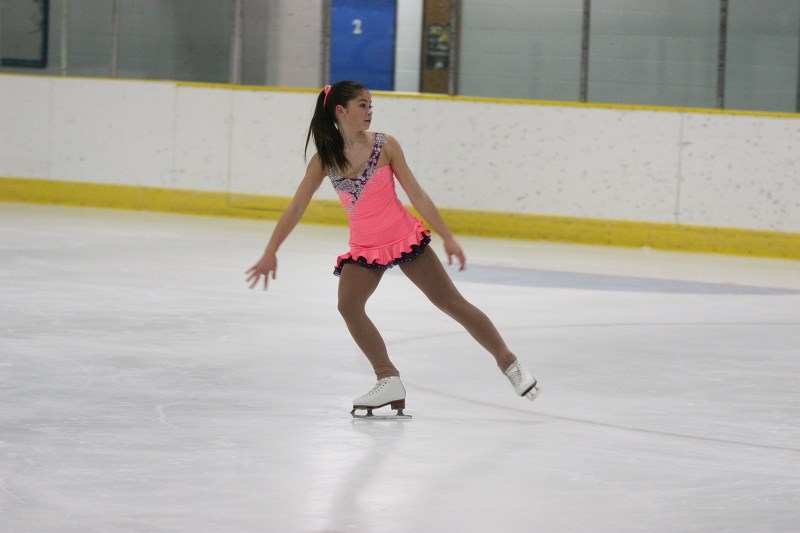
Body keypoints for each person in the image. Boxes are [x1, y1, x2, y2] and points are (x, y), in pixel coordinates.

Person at [246, 81, 539, 417]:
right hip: (366, 248)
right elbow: (296, 208)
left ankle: (508, 361)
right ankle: (388, 378)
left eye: (371, 105)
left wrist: (447, 236)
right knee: (349, 306)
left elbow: (417, 194)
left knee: (450, 302)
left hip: (404, 239)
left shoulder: (385, 146)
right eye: (362, 105)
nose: (370, 111)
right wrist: (271, 251)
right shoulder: (324, 160)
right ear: (340, 111)